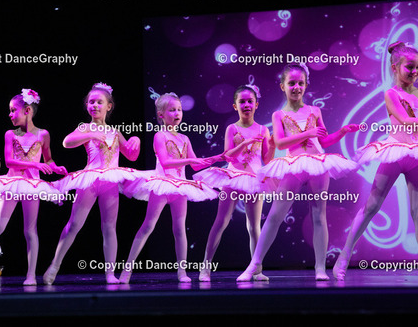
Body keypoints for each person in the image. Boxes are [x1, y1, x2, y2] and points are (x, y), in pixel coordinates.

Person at [237, 63, 359, 281]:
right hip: (293, 165)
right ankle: (254, 265)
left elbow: (323, 140)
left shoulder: (314, 111)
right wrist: (308, 133)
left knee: (319, 215)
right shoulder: (279, 115)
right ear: (282, 86)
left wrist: (342, 132)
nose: (296, 87)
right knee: (275, 216)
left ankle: (320, 268)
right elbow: (280, 143)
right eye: (291, 83)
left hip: (317, 164)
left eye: (300, 83)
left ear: (306, 85)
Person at [333, 42, 418, 280]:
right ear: (395, 67)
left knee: (417, 210)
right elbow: (405, 120)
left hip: (415, 154)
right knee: (372, 205)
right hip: (395, 152)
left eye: (417, 68)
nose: (414, 72)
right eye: (410, 67)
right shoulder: (391, 94)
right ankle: (344, 255)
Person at [0, 89, 67, 286]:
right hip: (12, 183)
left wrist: (55, 167)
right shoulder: (10, 134)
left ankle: (31, 275)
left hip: (32, 185)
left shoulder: (43, 134)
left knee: (30, 230)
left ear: (27, 110)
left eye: (13, 110)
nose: (10, 114)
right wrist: (36, 164)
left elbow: (48, 158)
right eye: (10, 110)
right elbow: (9, 161)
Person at [43, 83, 141, 285]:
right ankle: (54, 265)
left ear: (109, 106)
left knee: (109, 227)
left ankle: (110, 273)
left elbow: (131, 155)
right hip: (90, 179)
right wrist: (90, 135)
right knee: (74, 224)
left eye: (99, 102)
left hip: (110, 181)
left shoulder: (115, 132)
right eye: (91, 102)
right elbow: (67, 142)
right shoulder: (85, 127)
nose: (95, 105)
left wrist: (136, 141)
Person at [118, 92, 222, 283]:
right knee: (148, 226)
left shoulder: (185, 138)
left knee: (180, 229)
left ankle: (182, 272)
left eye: (179, 110)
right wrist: (190, 160)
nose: (177, 113)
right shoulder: (160, 136)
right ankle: (127, 269)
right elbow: (166, 163)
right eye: (172, 110)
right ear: (161, 115)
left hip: (180, 187)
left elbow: (196, 165)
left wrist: (217, 158)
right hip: (163, 184)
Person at [193, 85, 275, 282]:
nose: (246, 105)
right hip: (232, 177)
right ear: (235, 106)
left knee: (254, 226)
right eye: (242, 101)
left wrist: (271, 145)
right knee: (221, 221)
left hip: (254, 180)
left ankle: (257, 269)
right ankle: (205, 266)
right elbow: (228, 155)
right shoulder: (232, 128)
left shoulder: (263, 130)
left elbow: (267, 159)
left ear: (256, 105)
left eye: (250, 101)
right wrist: (245, 143)